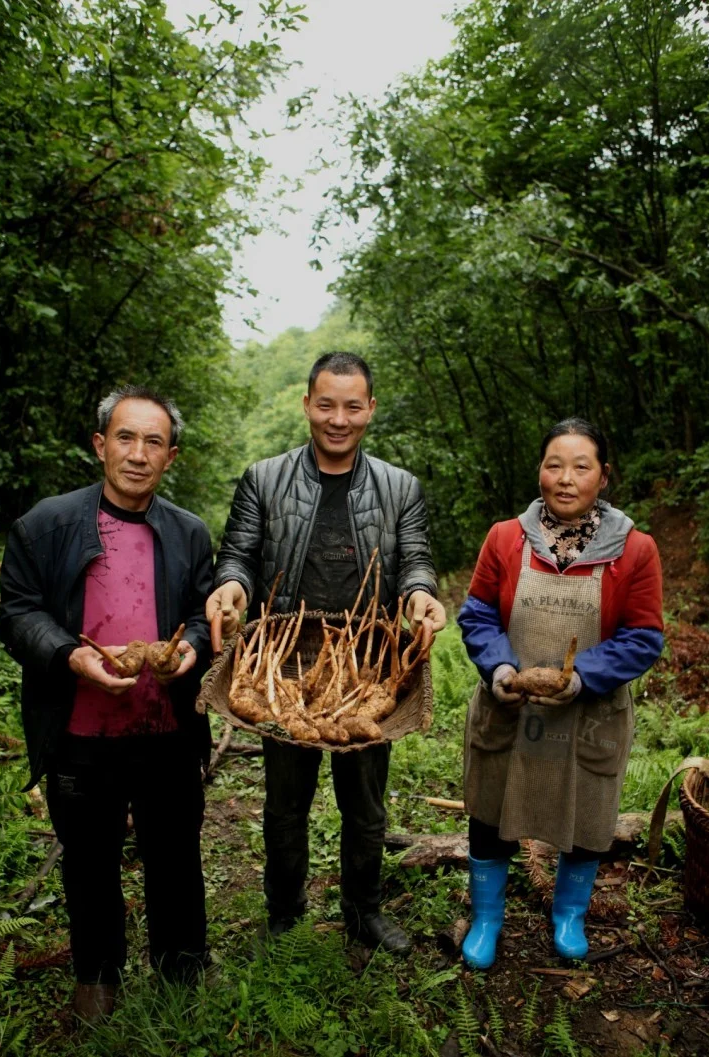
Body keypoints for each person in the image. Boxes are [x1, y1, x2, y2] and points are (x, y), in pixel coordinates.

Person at [206, 352, 446, 954]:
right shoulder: (264, 479)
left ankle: (364, 911)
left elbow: (414, 558)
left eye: (352, 405)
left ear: (370, 409)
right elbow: (238, 553)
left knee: (366, 805)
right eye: (326, 404)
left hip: (365, 669)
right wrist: (231, 585)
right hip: (283, 666)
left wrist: (420, 594)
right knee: (286, 805)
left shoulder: (399, 488)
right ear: (306, 404)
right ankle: (285, 912)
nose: (338, 419)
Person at [0, 385, 214, 1022]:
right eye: (125, 437)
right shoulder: (46, 525)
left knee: (175, 853)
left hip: (166, 727)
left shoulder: (189, 533)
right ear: (100, 445)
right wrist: (70, 655)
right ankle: (97, 973)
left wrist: (192, 652)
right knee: (89, 862)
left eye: (154, 442)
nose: (138, 454)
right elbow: (16, 614)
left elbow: (204, 616)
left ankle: (180, 967)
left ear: (170, 457)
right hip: (80, 731)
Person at [458, 418, 663, 969]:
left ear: (603, 476)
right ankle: (487, 918)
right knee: (491, 809)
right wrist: (499, 668)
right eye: (555, 465)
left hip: (589, 714)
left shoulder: (635, 549)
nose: (565, 479)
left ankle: (569, 915)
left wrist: (581, 678)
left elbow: (644, 637)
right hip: (509, 708)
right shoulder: (506, 537)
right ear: (539, 471)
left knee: (590, 818)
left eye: (581, 467)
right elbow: (477, 613)